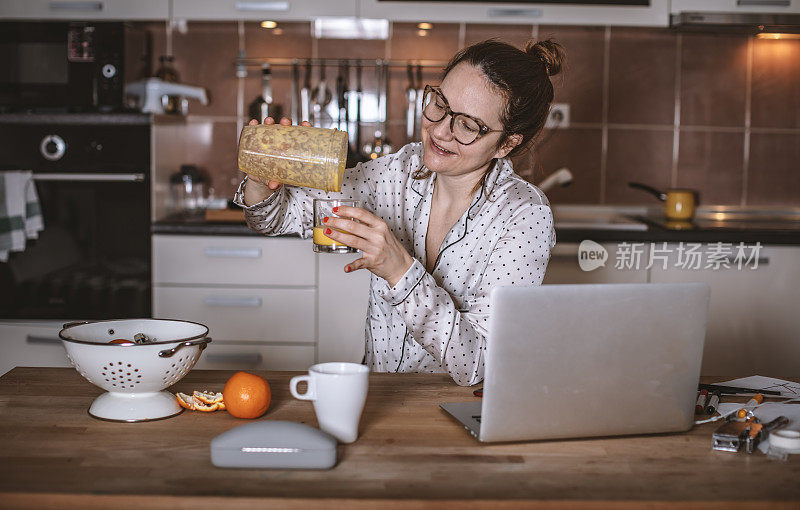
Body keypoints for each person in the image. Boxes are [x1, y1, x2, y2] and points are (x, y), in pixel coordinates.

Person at [234, 39, 564, 386]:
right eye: (440, 104)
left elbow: (481, 364)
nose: (439, 130)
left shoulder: (524, 216)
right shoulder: (398, 172)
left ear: (507, 143)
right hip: (380, 393)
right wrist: (262, 178)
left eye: (467, 126)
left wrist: (399, 270)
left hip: (462, 410)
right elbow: (275, 218)